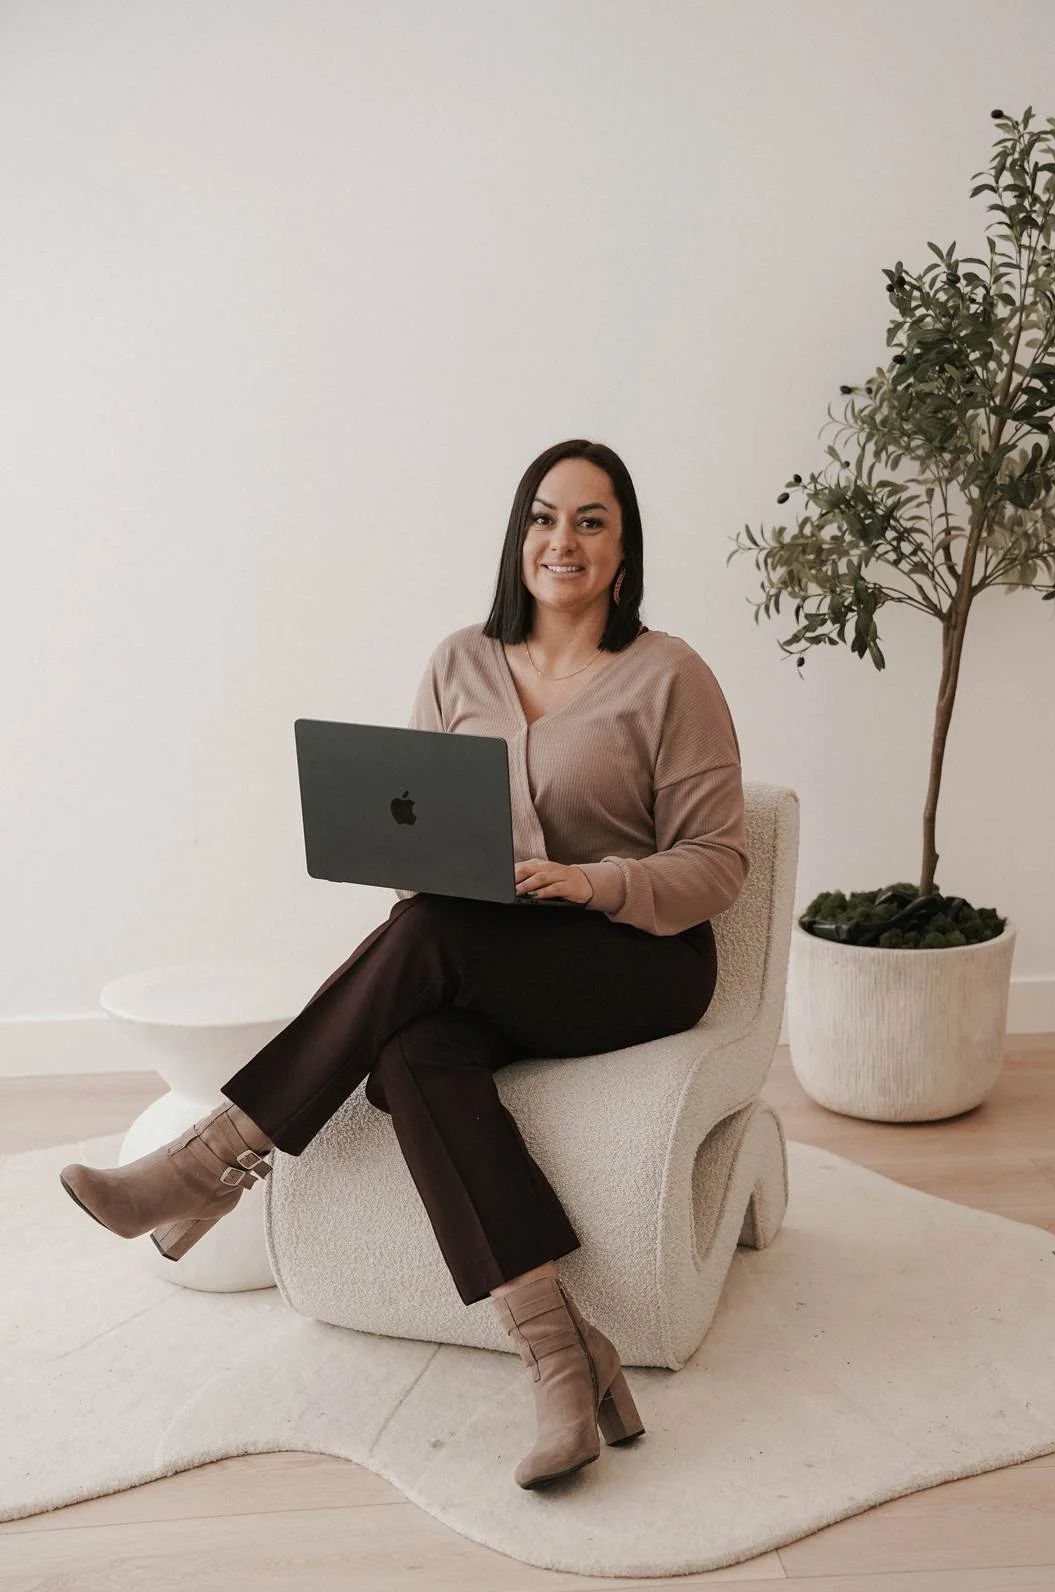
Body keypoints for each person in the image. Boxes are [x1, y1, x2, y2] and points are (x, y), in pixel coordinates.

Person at [59, 439, 750, 1490]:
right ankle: (564, 1361)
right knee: (417, 1050)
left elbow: (718, 865)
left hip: (636, 961)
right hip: (481, 954)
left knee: (428, 944)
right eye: (543, 518)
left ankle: (213, 1164)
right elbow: (423, 851)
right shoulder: (457, 662)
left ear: (624, 544)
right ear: (519, 536)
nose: (562, 541)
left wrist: (594, 884)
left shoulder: (670, 675)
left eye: (591, 521)